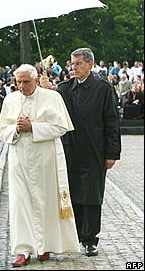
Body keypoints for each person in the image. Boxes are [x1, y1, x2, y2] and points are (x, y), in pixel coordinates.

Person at [0, 64, 80, 267]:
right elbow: (1, 131)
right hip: (19, 159)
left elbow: (61, 127)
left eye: (26, 82)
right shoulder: (10, 99)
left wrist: (33, 126)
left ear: (35, 80)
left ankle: (44, 246)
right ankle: (23, 250)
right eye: (18, 82)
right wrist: (16, 129)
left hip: (45, 159)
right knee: (20, 204)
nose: (22, 86)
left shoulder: (52, 98)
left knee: (46, 202)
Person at [56, 48, 121, 257]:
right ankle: (75, 235)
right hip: (70, 150)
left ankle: (91, 238)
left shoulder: (103, 88)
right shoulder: (64, 89)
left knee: (92, 196)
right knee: (74, 194)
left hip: (95, 151)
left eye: (78, 64)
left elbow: (111, 122)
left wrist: (112, 153)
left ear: (90, 64)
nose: (73, 68)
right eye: (72, 64)